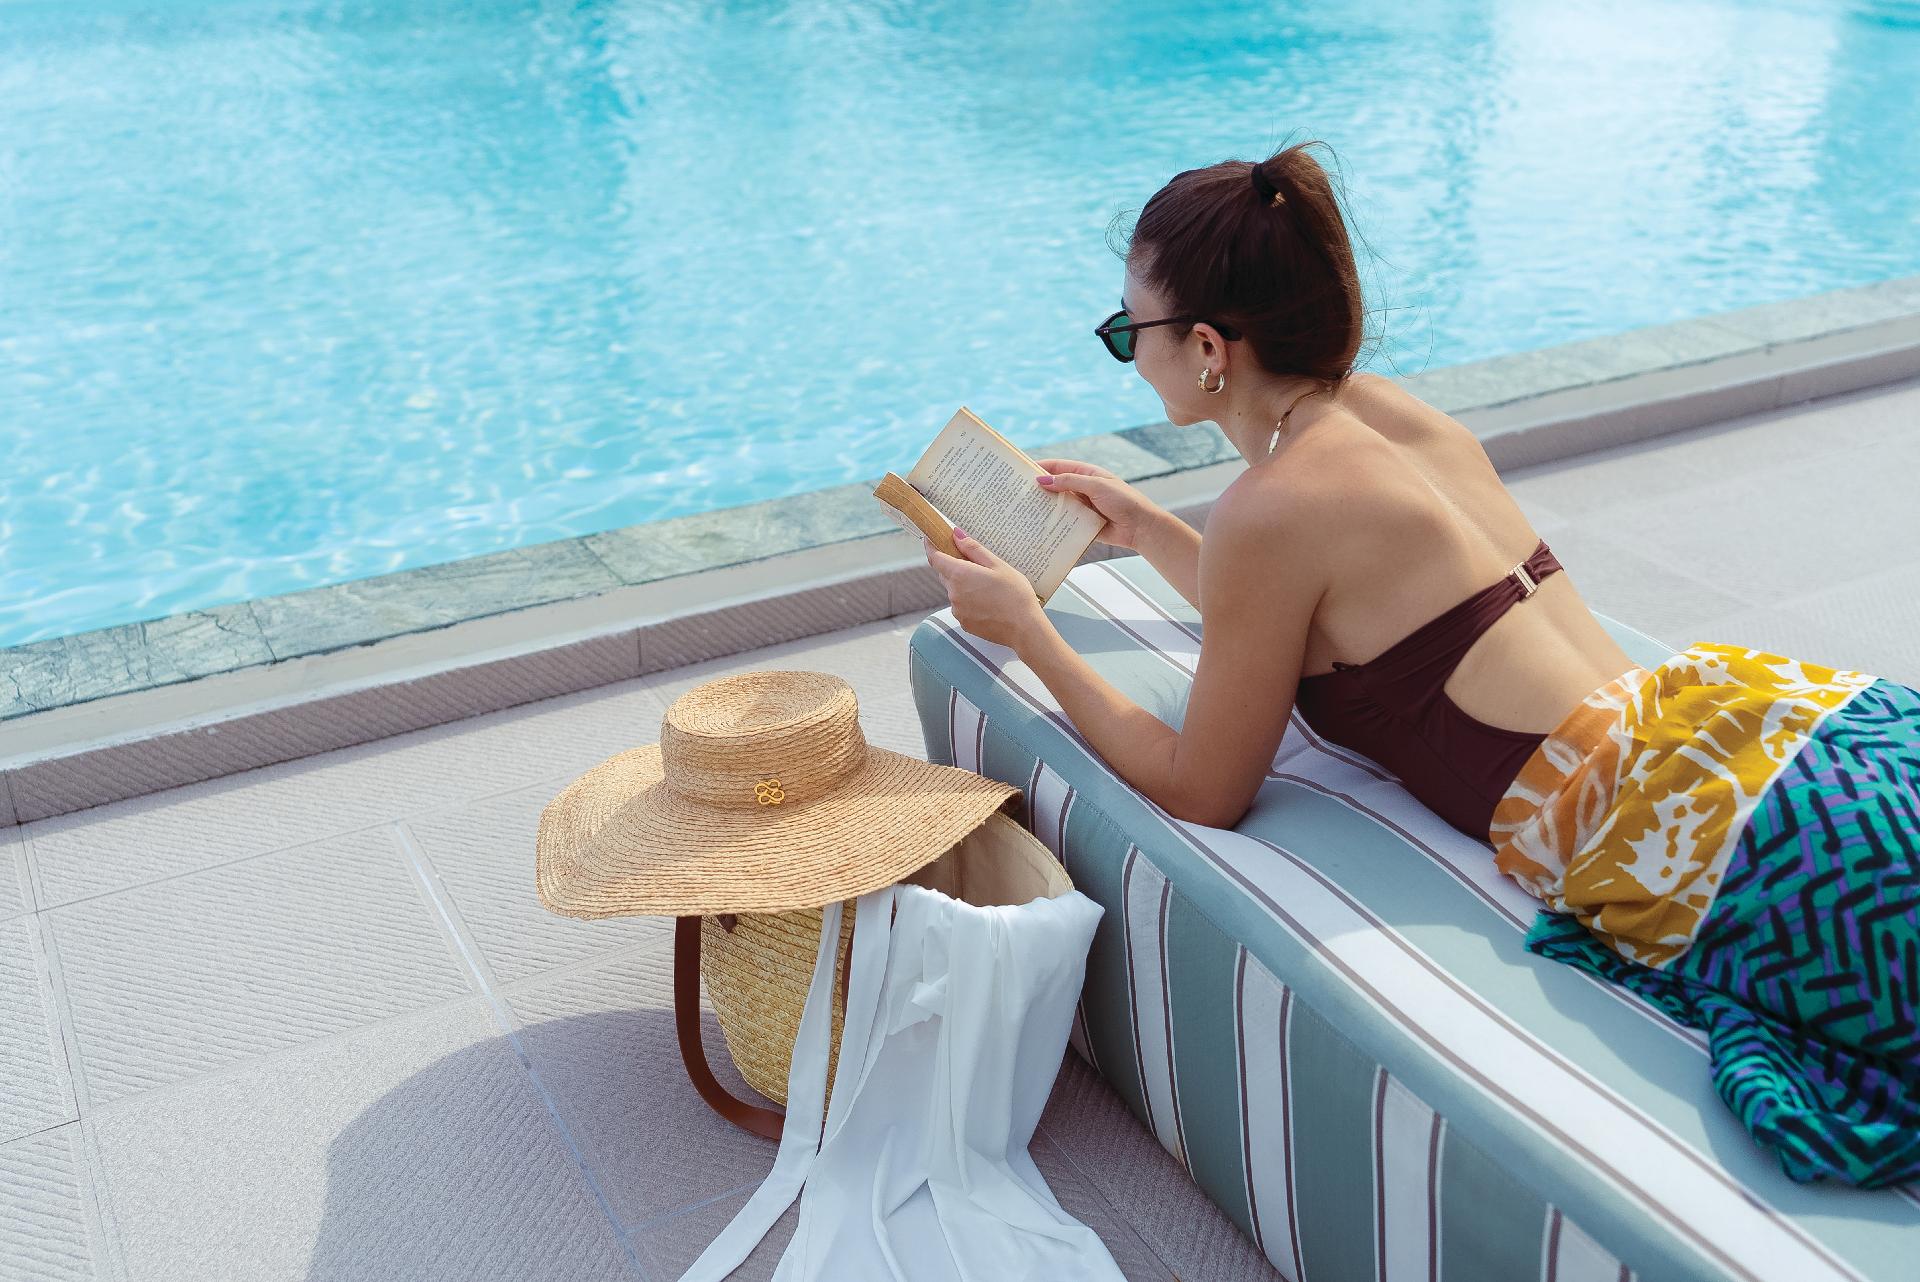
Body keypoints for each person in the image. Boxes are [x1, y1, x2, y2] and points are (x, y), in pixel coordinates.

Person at [923, 138, 1638, 849]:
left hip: (1657, 843)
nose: (1128, 351)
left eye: (1126, 330)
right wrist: (1144, 529)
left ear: (1208, 349)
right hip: (1694, 740)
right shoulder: (1389, 411)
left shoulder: (1270, 507)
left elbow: (1201, 792)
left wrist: (1027, 631)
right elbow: (1290, 610)